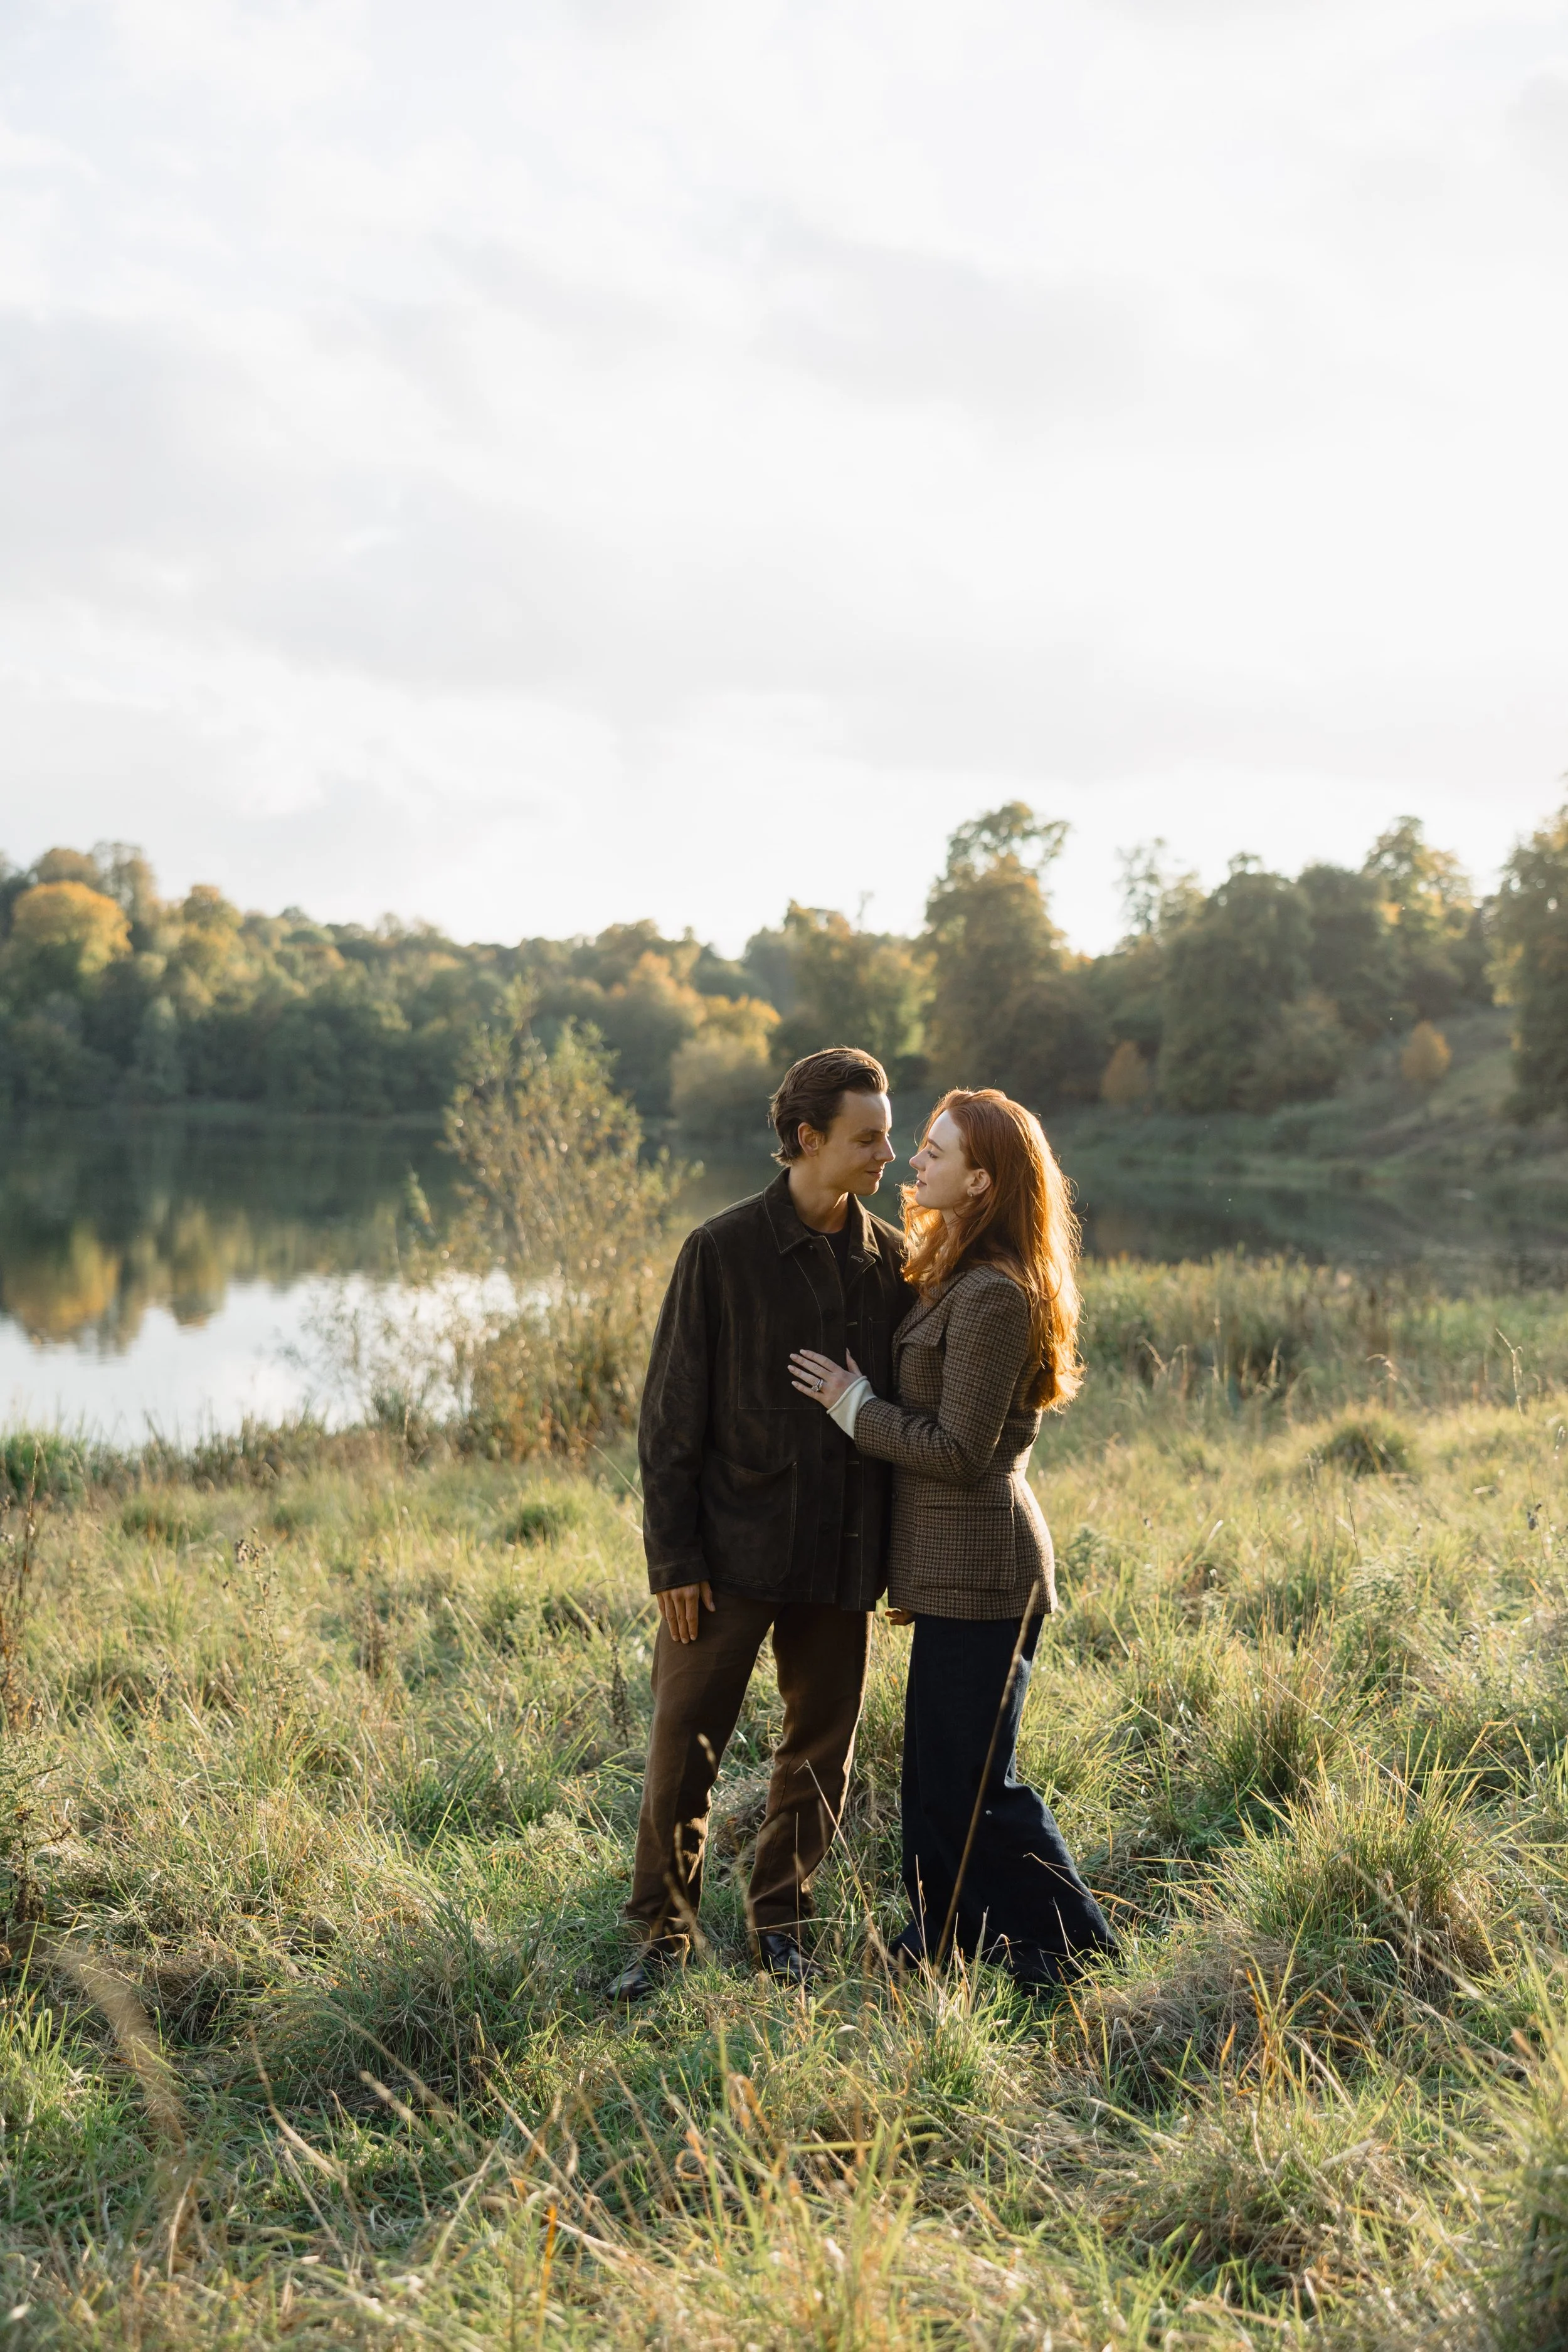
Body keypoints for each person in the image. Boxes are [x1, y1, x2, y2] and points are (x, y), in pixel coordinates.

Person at [790, 1088, 1116, 1994]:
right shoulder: (953, 1270)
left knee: (979, 1786)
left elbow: (962, 1452)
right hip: (950, 1575)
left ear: (982, 1178)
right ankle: (941, 1943)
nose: (913, 1162)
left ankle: (1077, 1952)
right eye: (918, 1147)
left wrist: (854, 1407)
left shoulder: (996, 1293)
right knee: (936, 1781)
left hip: (991, 1572)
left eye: (933, 1152)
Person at [610, 1044, 913, 2003]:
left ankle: (780, 1924)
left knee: (820, 1753)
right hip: (725, 1557)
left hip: (841, 1559)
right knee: (682, 1749)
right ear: (805, 1139)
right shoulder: (720, 1251)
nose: (886, 1156)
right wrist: (674, 1559)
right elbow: (669, 1422)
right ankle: (663, 1937)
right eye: (868, 1138)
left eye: (891, 1136)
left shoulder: (897, 1263)